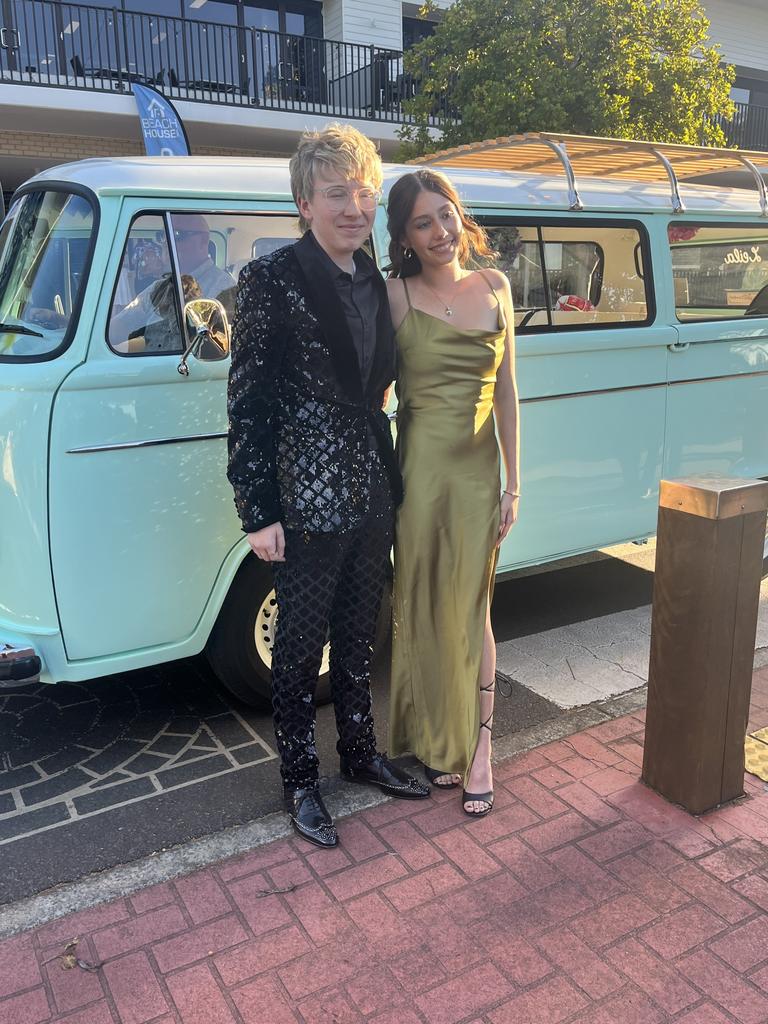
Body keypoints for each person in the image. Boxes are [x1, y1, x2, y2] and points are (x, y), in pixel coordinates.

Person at [226, 124, 429, 850]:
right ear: (304, 203)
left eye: (363, 192)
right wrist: (257, 510)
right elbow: (247, 403)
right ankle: (301, 781)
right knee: (298, 646)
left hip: (373, 486)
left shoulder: (375, 278)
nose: (354, 206)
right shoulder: (271, 279)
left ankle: (362, 753)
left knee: (357, 636)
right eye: (336, 193)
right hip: (305, 498)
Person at [386, 169, 520, 818]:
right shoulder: (394, 296)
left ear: (460, 216)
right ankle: (440, 741)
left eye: (446, 214)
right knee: (425, 607)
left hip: (476, 478)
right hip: (416, 478)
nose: (440, 231)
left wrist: (514, 484)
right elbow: (370, 393)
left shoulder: (495, 286)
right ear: (405, 237)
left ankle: (481, 748)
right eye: (422, 222)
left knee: (472, 610)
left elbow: (508, 395)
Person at [110, 214, 234, 342]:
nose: (166, 242)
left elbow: (215, 349)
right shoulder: (159, 287)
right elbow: (121, 324)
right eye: (162, 236)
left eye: (176, 235)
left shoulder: (224, 288)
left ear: (203, 241)